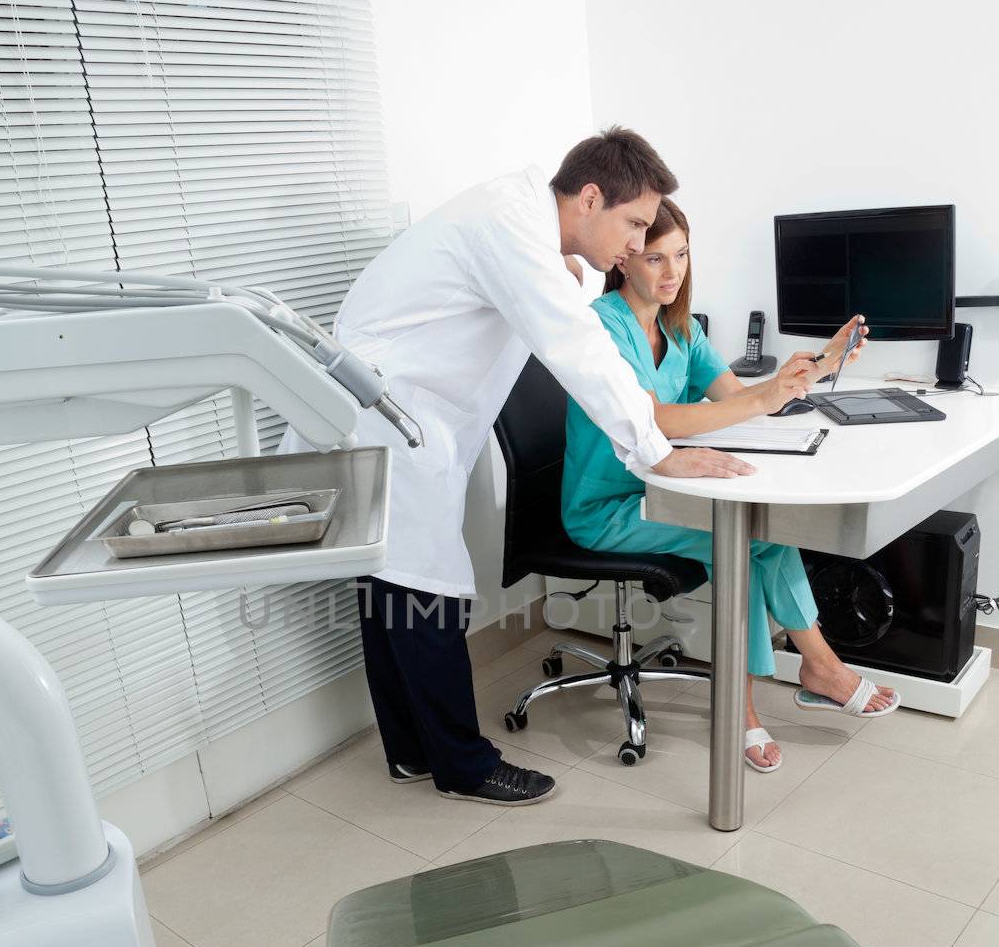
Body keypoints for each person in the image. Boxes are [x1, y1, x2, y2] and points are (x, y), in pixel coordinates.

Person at [280, 129, 755, 806]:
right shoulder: (507, 227)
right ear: (589, 197)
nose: (633, 246)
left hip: (390, 427)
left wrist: (559, 265)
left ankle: (413, 753)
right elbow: (582, 351)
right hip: (386, 430)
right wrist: (658, 452)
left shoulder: (516, 223)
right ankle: (462, 765)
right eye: (633, 224)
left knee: (392, 594)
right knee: (424, 593)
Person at [561, 197, 899, 774]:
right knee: (739, 543)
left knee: (764, 528)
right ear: (623, 261)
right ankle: (751, 705)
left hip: (667, 491)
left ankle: (815, 667)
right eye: (655, 259)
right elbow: (653, 419)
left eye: (682, 255)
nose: (672, 273)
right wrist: (762, 397)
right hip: (608, 506)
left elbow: (737, 402)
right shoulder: (603, 326)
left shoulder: (681, 328)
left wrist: (817, 363)